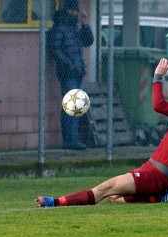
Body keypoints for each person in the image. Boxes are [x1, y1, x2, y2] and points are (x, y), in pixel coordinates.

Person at [36, 58, 168, 207]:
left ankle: (55, 202)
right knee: (114, 197)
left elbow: (158, 105)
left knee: (104, 189)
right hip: (152, 172)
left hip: (155, 176)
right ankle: (159, 196)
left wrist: (158, 77)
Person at [50, 0, 94, 150]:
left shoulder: (75, 28)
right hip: (68, 73)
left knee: (76, 107)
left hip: (78, 72)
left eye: (77, 11)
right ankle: (70, 140)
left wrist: (85, 24)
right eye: (74, 11)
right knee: (70, 107)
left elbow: (89, 41)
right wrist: (69, 64)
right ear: (68, 10)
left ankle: (73, 139)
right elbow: (55, 50)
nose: (76, 14)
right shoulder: (60, 28)